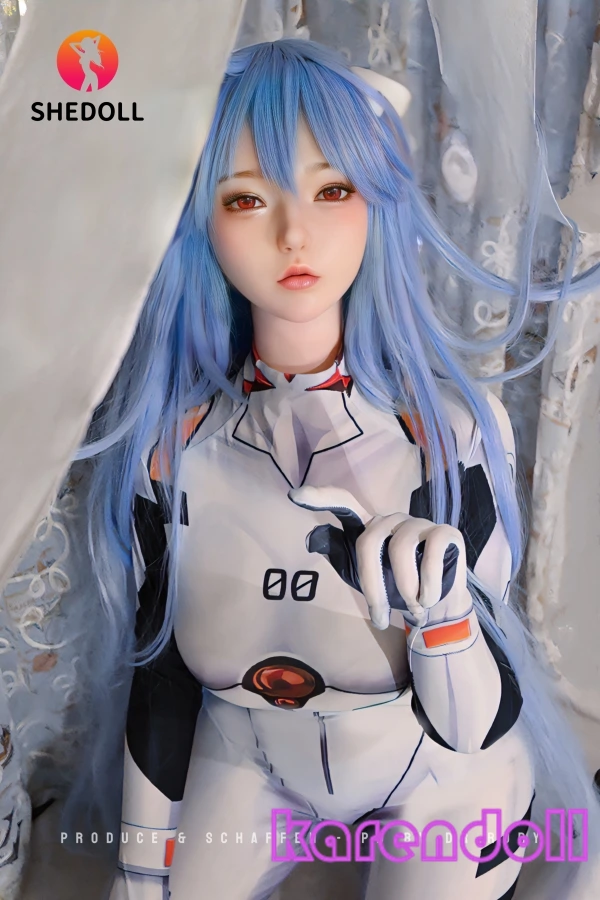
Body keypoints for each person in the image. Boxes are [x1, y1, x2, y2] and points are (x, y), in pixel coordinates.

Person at [75, 40, 596, 900]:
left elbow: (474, 724)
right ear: (200, 220)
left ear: (376, 203)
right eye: (246, 198)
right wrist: (139, 867)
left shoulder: (447, 435)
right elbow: (159, 672)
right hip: (251, 759)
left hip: (437, 775)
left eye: (333, 190)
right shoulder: (169, 450)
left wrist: (442, 616)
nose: (294, 234)